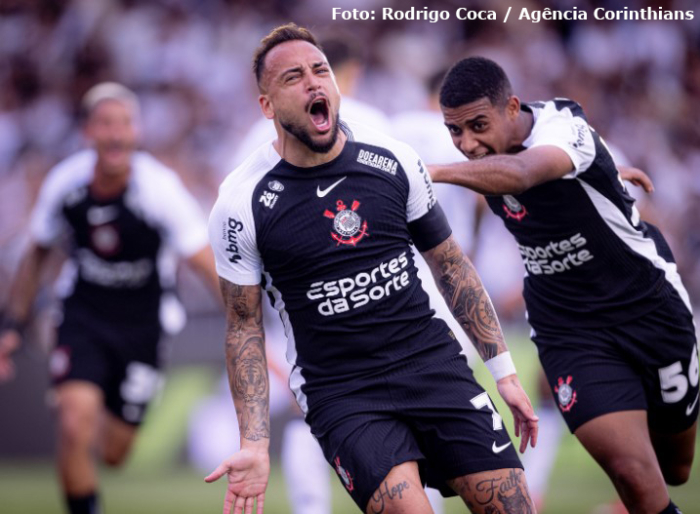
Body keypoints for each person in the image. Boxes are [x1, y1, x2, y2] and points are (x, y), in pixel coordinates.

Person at [205, 24, 539, 514]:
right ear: (267, 106)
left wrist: (503, 373)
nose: (313, 82)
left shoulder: (393, 158)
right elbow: (243, 326)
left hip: (433, 367)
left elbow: (451, 266)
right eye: (293, 77)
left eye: (320, 70)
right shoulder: (240, 203)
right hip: (343, 393)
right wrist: (254, 443)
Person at [430, 57, 698, 514]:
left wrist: (427, 171)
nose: (468, 144)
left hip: (650, 310)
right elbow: (499, 184)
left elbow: (522, 174)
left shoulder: (561, 127)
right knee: (632, 472)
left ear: (512, 107)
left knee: (675, 469)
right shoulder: (489, 160)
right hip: (569, 328)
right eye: (455, 131)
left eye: (478, 126)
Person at [0, 82, 220, 514]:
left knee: (116, 454)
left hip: (143, 326)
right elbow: (36, 252)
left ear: (137, 131)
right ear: (88, 131)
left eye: (124, 123)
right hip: (82, 315)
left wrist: (247, 321)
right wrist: (12, 324)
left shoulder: (159, 189)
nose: (116, 133)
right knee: (74, 423)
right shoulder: (66, 183)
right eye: (105, 123)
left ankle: (88, 407)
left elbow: (204, 261)